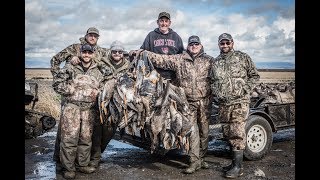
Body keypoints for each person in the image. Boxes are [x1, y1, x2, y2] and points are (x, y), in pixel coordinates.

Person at [135, 35, 214, 174]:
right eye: (191, 44)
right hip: (188, 103)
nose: (194, 46)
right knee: (192, 131)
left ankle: (202, 158)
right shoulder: (180, 59)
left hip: (205, 101)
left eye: (196, 44)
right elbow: (162, 60)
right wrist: (145, 53)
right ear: (188, 46)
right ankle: (194, 161)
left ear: (201, 46)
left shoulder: (209, 61)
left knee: (204, 131)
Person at [51, 27, 108, 170]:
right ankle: (60, 162)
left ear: (98, 37)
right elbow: (55, 60)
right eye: (90, 35)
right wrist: (67, 86)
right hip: (71, 99)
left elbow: (110, 66)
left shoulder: (101, 52)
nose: (93, 37)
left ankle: (82, 163)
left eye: (95, 36)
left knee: (86, 136)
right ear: (86, 35)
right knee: (66, 134)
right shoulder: (74, 48)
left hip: (90, 103)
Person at [209, 33, 260, 178]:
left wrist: (245, 89)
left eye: (227, 43)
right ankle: (233, 163)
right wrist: (216, 92)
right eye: (222, 43)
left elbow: (254, 76)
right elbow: (212, 81)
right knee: (228, 133)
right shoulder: (216, 62)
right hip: (224, 105)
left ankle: (238, 167)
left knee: (237, 131)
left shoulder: (242, 57)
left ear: (232, 43)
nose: (225, 45)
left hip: (239, 103)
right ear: (219, 44)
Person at [89, 40, 131, 168]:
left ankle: (98, 153)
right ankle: (94, 158)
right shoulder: (102, 63)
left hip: (117, 105)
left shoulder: (129, 66)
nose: (117, 53)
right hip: (102, 102)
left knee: (109, 132)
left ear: (123, 53)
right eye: (114, 51)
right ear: (111, 52)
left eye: (119, 51)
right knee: (97, 131)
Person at [131, 11, 184, 84]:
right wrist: (135, 52)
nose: (164, 23)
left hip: (172, 77)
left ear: (169, 23)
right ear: (157, 22)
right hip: (154, 76)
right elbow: (143, 51)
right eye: (161, 21)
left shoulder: (176, 37)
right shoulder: (151, 35)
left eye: (166, 21)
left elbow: (181, 56)